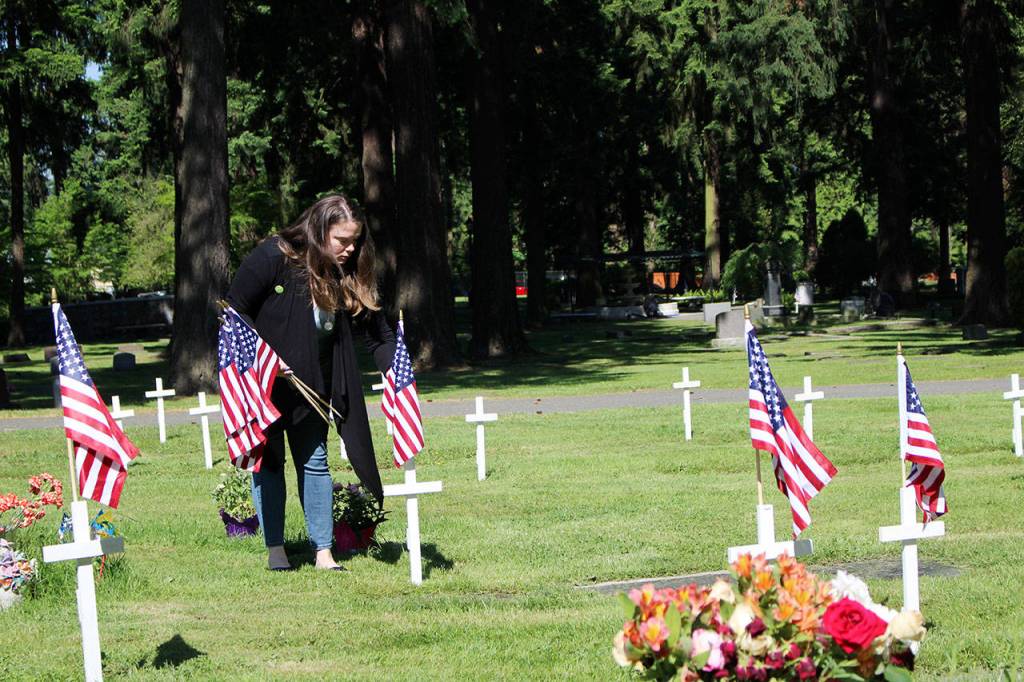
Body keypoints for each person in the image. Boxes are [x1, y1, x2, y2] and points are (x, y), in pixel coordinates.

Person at [227, 195, 395, 571]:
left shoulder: (346, 271)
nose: (350, 249)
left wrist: (397, 371)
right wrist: (262, 357)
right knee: (269, 464)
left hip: (315, 387)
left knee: (315, 461)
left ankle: (323, 552)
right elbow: (234, 311)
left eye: (355, 241)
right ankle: (276, 550)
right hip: (265, 385)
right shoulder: (274, 256)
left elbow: (377, 332)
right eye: (342, 241)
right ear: (320, 232)